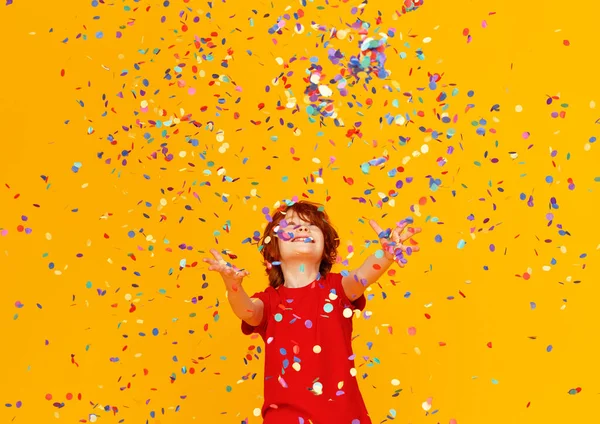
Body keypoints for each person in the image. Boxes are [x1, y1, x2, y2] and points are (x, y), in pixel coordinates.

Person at [203, 199, 421, 423]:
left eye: (311, 225)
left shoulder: (338, 289)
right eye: (291, 224)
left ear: (326, 246)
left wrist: (386, 256)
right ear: (273, 247)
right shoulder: (268, 302)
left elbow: (362, 277)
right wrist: (233, 286)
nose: (303, 228)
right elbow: (247, 310)